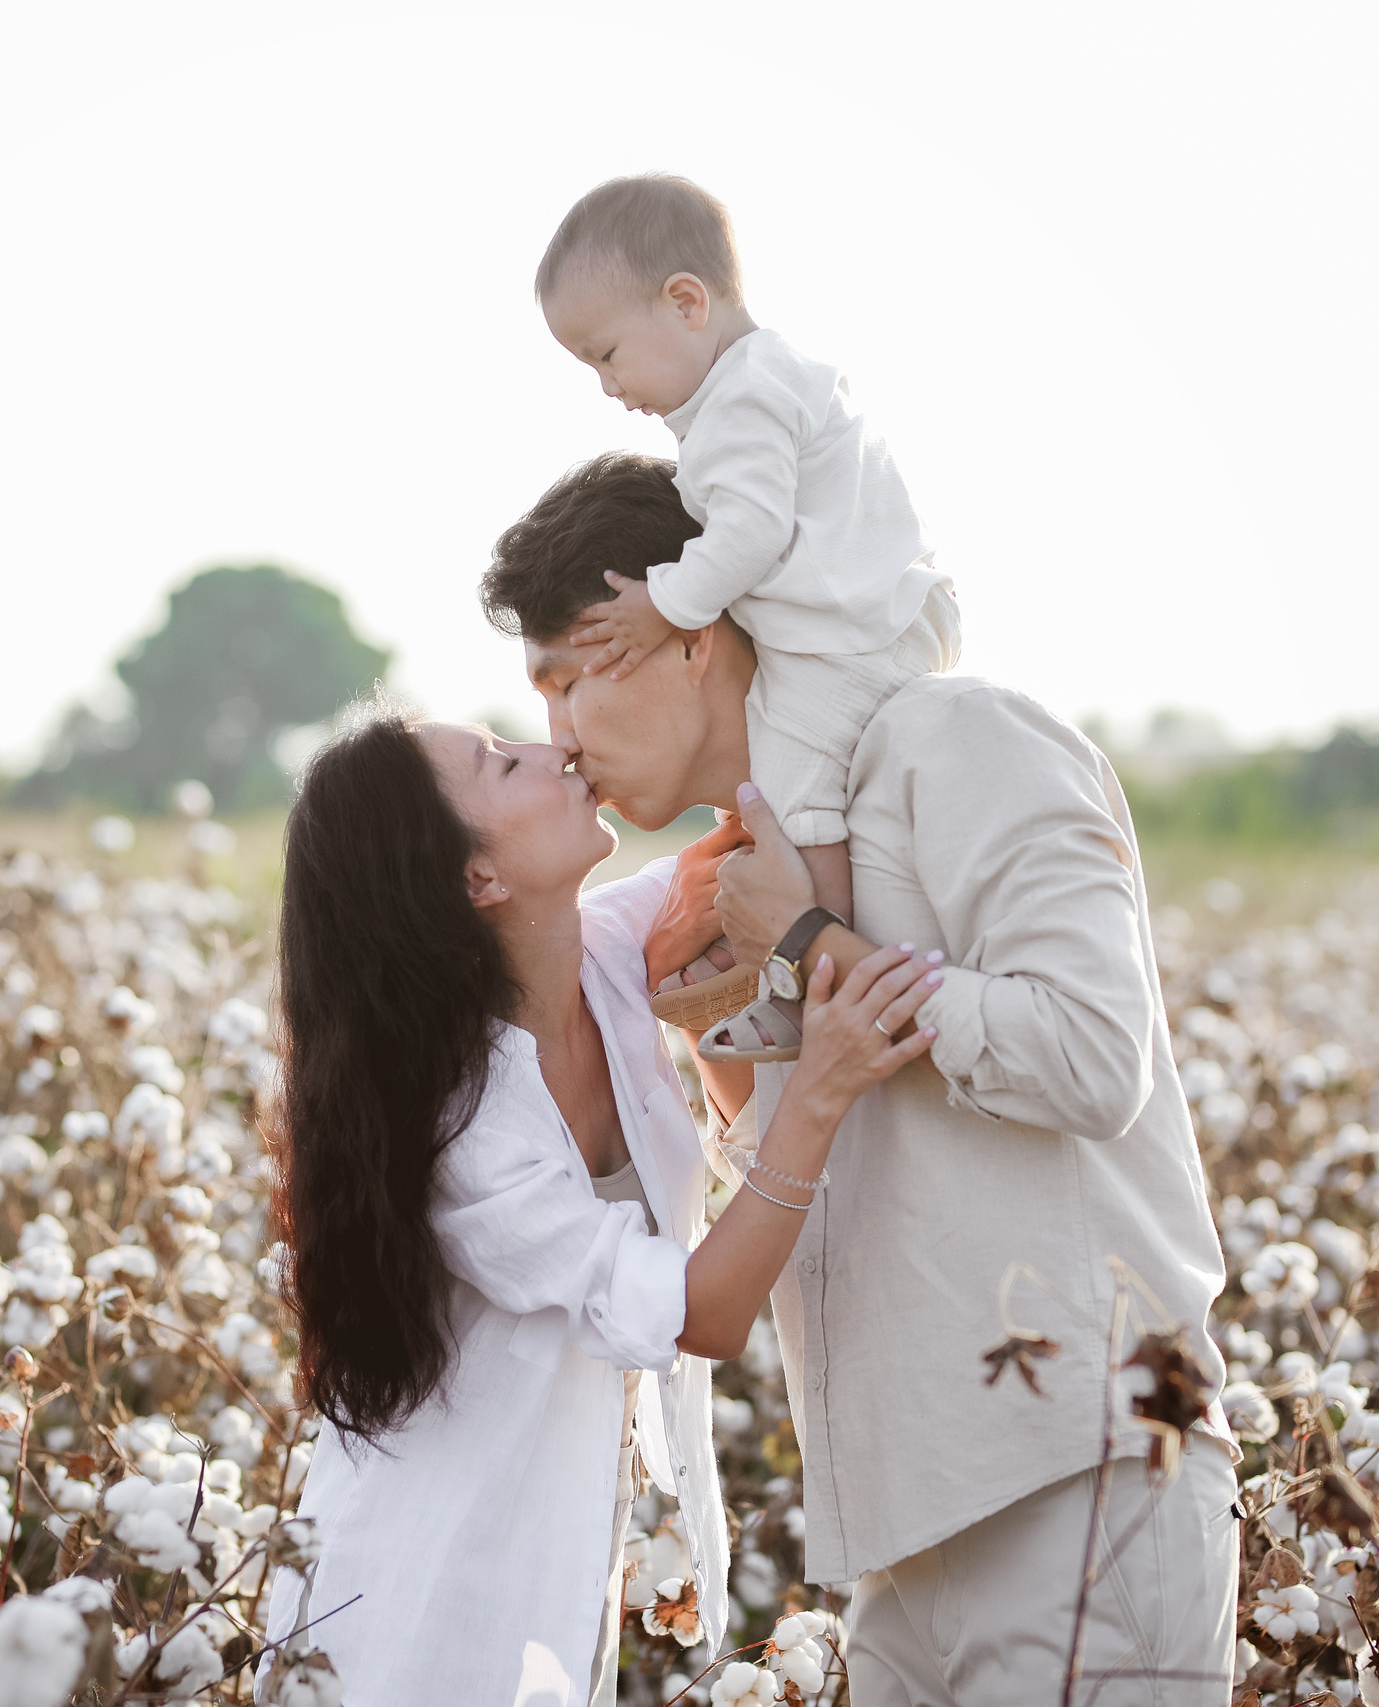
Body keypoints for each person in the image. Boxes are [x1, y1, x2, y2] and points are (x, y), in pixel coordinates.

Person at [481, 454, 1241, 1707]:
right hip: (902, 1532)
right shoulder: (754, 855)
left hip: (1085, 1469)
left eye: (572, 673)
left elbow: (1097, 1057)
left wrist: (809, 949)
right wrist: (711, 1029)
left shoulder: (961, 739)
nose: (558, 735)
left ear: (692, 629)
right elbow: (847, 1176)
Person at [262, 709, 938, 1705]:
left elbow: (759, 830)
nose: (551, 747)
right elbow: (702, 1314)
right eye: (501, 763)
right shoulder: (466, 1130)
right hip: (412, 1606)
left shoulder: (612, 950)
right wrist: (819, 1092)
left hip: (555, 1565)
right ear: (475, 879)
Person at [535, 173, 958, 1060]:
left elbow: (753, 531)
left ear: (686, 301)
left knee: (798, 792)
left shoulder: (740, 400)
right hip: (873, 613)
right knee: (785, 777)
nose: (608, 388)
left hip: (853, 634)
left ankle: (804, 968)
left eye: (607, 355)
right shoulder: (765, 384)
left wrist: (664, 600)